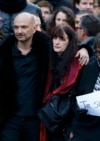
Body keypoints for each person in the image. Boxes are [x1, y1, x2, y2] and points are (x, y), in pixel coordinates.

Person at [0, 12, 89, 141]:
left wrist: (85, 48)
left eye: (24, 27)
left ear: (34, 28)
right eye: (16, 27)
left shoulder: (45, 47)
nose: (19, 31)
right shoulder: (5, 51)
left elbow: (67, 46)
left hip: (36, 119)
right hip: (10, 118)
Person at [40, 24, 83, 141]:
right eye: (55, 38)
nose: (57, 42)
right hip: (51, 114)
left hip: (68, 117)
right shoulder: (50, 58)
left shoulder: (77, 62)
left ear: (70, 41)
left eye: (62, 39)